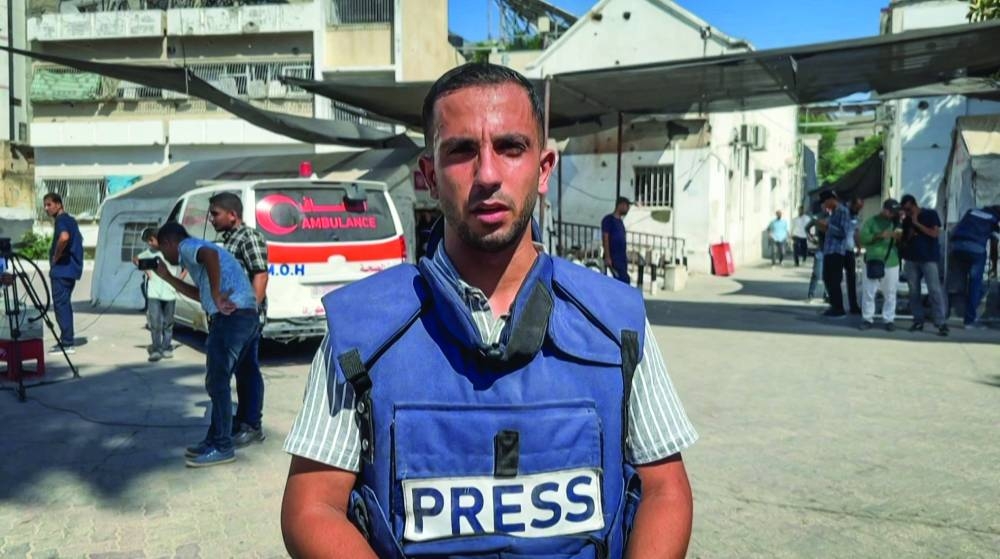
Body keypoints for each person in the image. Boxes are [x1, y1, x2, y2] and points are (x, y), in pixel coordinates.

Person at [280, 62, 697, 559]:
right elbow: (312, 507)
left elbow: (664, 489)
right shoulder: (361, 331)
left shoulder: (617, 321)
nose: (489, 175)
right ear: (429, 176)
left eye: (510, 147)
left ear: (543, 169)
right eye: (461, 151)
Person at [153, 222, 259, 467]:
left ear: (169, 242)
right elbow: (201, 296)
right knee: (222, 381)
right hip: (245, 316)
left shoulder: (188, 246)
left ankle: (222, 446)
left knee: (217, 383)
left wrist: (218, 293)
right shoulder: (198, 253)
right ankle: (214, 439)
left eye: (162, 249)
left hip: (231, 318)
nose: (164, 256)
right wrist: (167, 278)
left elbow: (209, 258)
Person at [208, 192, 269, 448]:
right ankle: (242, 418)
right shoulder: (229, 239)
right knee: (240, 371)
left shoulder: (249, 237)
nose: (211, 219)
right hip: (230, 318)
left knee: (247, 372)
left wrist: (249, 311)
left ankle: (252, 424)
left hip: (244, 320)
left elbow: (261, 275)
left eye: (215, 214)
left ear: (232, 215)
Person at [900, 194, 948, 336]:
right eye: (905, 210)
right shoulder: (907, 219)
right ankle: (918, 320)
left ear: (915, 205)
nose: (907, 212)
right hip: (911, 258)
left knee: (934, 290)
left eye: (909, 209)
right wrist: (909, 232)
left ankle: (940, 322)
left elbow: (934, 234)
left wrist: (917, 224)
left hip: (928, 258)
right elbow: (905, 239)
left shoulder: (930, 214)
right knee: (914, 291)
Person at [947, 205, 1000, 329]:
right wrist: (993, 265)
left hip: (956, 247)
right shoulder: (994, 219)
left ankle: (947, 312)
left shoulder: (972, 212)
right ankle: (969, 321)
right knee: (975, 284)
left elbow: (956, 229)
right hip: (975, 249)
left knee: (956, 283)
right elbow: (994, 245)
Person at [43, 192, 83, 354]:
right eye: (45, 205)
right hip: (70, 270)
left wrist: (56, 256)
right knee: (64, 304)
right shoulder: (71, 220)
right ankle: (67, 339)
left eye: (49, 204)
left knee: (61, 305)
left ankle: (67, 342)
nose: (46, 208)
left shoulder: (61, 221)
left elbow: (64, 237)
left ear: (59, 204)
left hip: (62, 270)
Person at [134, 228, 182, 361]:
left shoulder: (171, 252)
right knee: (155, 322)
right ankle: (156, 348)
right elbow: (136, 259)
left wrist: (179, 280)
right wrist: (146, 270)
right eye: (148, 241)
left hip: (170, 293)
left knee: (168, 322)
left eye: (151, 240)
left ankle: (166, 347)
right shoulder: (150, 252)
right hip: (153, 293)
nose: (149, 243)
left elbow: (186, 265)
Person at [858, 199, 903, 331]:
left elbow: (902, 240)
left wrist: (899, 236)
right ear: (884, 209)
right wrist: (879, 235)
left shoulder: (896, 222)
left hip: (892, 262)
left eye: (894, 212)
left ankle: (889, 319)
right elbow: (863, 239)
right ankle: (867, 318)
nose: (892, 214)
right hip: (873, 260)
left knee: (890, 292)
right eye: (891, 212)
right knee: (869, 291)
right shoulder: (871, 222)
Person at [817, 191, 850, 318]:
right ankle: (833, 305)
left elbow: (843, 232)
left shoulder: (843, 211)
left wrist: (828, 226)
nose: (825, 205)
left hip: (837, 251)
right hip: (828, 250)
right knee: (827, 278)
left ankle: (839, 308)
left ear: (831, 199)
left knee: (834, 280)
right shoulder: (833, 212)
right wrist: (823, 226)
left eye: (825, 202)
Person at [602, 196, 632, 284]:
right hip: (613, 256)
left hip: (621, 256)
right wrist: (607, 256)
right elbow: (605, 238)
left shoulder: (620, 222)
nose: (628, 209)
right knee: (623, 279)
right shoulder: (609, 220)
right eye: (626, 206)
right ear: (620, 205)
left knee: (623, 279)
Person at [842, 197, 864, 315]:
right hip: (838, 250)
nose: (859, 210)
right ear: (852, 204)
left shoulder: (855, 217)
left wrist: (859, 247)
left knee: (851, 278)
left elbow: (856, 233)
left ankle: (853, 306)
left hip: (849, 250)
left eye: (860, 208)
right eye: (858, 207)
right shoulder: (841, 213)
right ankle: (836, 304)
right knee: (836, 278)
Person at [806, 205, 827, 303]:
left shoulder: (835, 217)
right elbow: (807, 228)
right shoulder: (817, 217)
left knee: (829, 275)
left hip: (831, 250)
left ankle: (827, 295)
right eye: (825, 206)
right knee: (817, 273)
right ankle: (811, 294)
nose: (827, 208)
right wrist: (812, 238)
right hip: (820, 249)